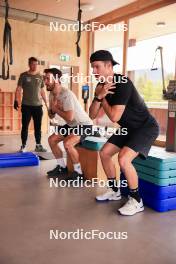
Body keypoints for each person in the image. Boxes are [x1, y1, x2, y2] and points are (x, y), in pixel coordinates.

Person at [89, 50, 159, 216]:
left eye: (97, 67)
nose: (94, 71)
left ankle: (136, 200)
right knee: (105, 153)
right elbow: (92, 115)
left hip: (145, 127)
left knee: (124, 158)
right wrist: (99, 96)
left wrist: (102, 98)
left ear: (108, 65)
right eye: (92, 67)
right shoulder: (100, 87)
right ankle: (115, 190)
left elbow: (114, 116)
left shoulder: (123, 83)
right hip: (128, 128)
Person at [44, 68, 93, 179]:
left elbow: (70, 118)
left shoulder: (66, 94)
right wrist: (52, 110)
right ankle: (62, 167)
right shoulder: (51, 94)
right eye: (44, 78)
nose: (45, 81)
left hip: (84, 125)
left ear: (56, 79)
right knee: (52, 140)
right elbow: (51, 115)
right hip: (72, 125)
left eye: (47, 78)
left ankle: (79, 173)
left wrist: (55, 109)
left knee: (68, 143)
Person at [14, 57, 48, 152]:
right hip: (26, 106)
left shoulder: (40, 76)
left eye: (36, 64)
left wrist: (46, 103)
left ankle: (38, 145)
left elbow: (42, 91)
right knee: (25, 126)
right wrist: (17, 100)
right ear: (29, 64)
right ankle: (23, 145)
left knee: (38, 127)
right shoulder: (23, 75)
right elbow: (19, 88)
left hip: (38, 106)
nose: (35, 66)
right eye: (33, 64)